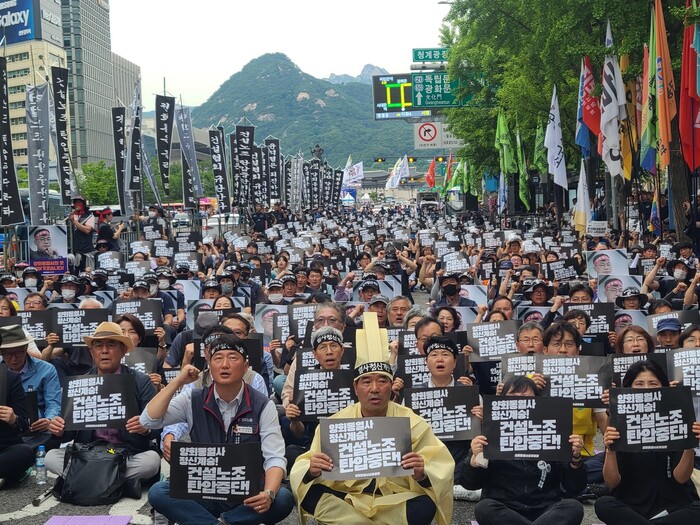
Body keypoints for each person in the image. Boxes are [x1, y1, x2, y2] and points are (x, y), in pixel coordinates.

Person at [290, 338, 454, 525]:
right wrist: (312, 470)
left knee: (425, 505)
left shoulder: (413, 422)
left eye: (382, 381)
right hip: (348, 497)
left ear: (391, 386)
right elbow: (304, 467)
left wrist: (422, 473)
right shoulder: (337, 422)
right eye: (366, 382)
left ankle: (354, 523)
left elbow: (441, 469)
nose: (374, 389)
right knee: (309, 492)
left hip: (395, 499)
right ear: (355, 388)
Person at [143, 334, 295, 525]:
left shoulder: (262, 404)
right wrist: (177, 382)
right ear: (209, 365)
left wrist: (268, 493)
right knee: (159, 492)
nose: (224, 365)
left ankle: (223, 521)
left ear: (246, 366)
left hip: (245, 493)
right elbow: (149, 419)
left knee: (282, 498)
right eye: (218, 358)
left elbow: (274, 456)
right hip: (202, 489)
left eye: (232, 358)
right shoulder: (193, 398)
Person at [46, 322, 161, 492]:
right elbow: (68, 433)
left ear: (123, 351)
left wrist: (144, 428)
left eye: (111, 345)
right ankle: (118, 483)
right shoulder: (80, 384)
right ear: (92, 352)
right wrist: (59, 430)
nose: (104, 351)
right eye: (98, 346)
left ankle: (85, 480)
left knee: (151, 461)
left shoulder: (140, 381)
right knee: (50, 458)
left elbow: (157, 425)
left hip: (127, 455)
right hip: (88, 455)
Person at [461, 375, 586, 525]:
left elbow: (574, 488)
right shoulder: (489, 435)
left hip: (545, 508)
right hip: (504, 508)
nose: (518, 401)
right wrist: (474, 460)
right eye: (512, 397)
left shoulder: (553, 431)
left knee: (573, 507)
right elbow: (470, 484)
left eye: (525, 397)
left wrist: (576, 459)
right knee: (484, 508)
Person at [595, 360, 700, 524]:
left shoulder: (676, 419)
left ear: (663, 388)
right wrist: (610, 450)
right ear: (628, 389)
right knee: (603, 504)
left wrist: (689, 447)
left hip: (673, 505)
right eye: (639, 384)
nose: (646, 389)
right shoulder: (620, 425)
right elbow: (611, 482)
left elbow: (681, 478)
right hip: (631, 507)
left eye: (652, 383)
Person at [0, 324, 62, 450]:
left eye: (18, 353)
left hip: (39, 430)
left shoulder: (46, 369)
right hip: (7, 431)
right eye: (8, 354)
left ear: (26, 348)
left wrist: (49, 420)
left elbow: (53, 403)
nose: (13, 359)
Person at [0, 357, 34, 488]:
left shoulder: (9, 378)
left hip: (4, 447)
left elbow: (24, 424)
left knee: (25, 452)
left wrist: (14, 419)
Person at [67, 195, 95, 272]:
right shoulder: (70, 216)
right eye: (76, 202)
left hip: (85, 251)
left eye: (80, 202)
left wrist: (74, 222)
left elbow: (87, 230)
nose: (77, 204)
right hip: (72, 251)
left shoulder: (89, 216)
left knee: (86, 273)